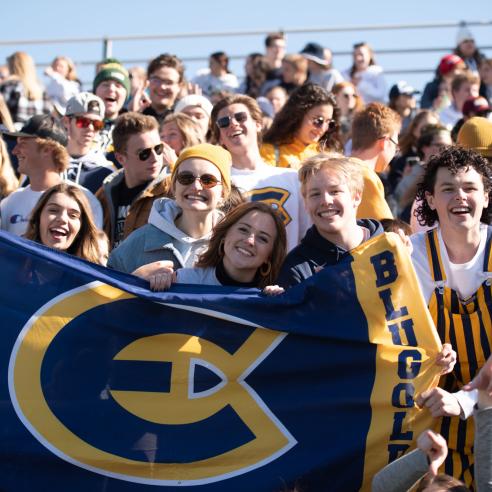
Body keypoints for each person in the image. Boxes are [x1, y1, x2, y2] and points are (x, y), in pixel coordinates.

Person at [411, 146, 492, 487]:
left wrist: (466, 399)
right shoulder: (409, 255)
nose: (460, 196)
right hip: (433, 426)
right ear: (429, 199)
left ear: (486, 197)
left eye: (470, 188)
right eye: (448, 189)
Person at [108, 143, 230, 275]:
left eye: (208, 180)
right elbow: (107, 290)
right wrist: (136, 280)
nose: (196, 186)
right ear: (174, 186)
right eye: (186, 178)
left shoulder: (232, 245)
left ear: (223, 193)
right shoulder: (138, 242)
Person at [211, 94, 309, 251]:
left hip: (289, 272)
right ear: (220, 138)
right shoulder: (218, 184)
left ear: (258, 124)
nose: (233, 124)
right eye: (223, 122)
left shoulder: (292, 178)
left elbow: (308, 233)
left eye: (240, 117)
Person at [277, 154, 384, 288]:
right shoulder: (297, 269)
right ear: (305, 203)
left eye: (334, 191)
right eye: (315, 194)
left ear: (356, 197)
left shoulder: (390, 246)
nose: (325, 201)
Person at [142, 201, 287, 292]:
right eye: (243, 229)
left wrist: (274, 306)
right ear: (224, 235)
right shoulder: (184, 282)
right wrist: (147, 282)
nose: (250, 241)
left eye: (262, 238)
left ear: (270, 256)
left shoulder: (268, 300)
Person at [0, 114, 102, 236]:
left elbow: (90, 251)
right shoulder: (11, 201)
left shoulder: (84, 200)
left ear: (47, 150)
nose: (14, 151)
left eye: (23, 143)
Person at [95, 112, 170, 249]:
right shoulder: (105, 194)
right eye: (144, 153)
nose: (154, 158)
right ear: (120, 158)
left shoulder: (172, 191)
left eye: (158, 149)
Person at [261, 83, 342, 169]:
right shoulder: (269, 152)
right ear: (298, 115)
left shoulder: (329, 156)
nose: (323, 128)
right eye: (319, 121)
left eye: (329, 123)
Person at [24, 183, 103, 264]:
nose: (62, 219)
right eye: (53, 210)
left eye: (73, 215)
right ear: (38, 218)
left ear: (82, 229)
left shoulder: (91, 275)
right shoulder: (14, 262)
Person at [350, 102, 401, 220]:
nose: (395, 153)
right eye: (395, 146)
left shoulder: (335, 168)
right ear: (385, 142)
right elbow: (386, 232)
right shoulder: (365, 176)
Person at [62, 92, 115, 193]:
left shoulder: (107, 172)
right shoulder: (48, 164)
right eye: (83, 122)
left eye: (97, 124)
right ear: (66, 121)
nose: (90, 128)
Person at [387, 109, 439, 194]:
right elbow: (392, 188)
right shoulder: (399, 155)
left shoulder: (436, 159)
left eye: (433, 130)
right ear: (415, 129)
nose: (429, 133)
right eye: (425, 129)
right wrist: (404, 179)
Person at [0, 51, 51, 126]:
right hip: (36, 133)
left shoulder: (9, 85)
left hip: (13, 133)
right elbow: (47, 113)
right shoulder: (40, 87)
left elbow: (2, 111)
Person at [93, 61, 131, 154]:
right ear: (95, 92)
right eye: (105, 84)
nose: (111, 89)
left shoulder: (132, 128)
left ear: (126, 95)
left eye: (118, 85)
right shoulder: (79, 124)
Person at [139, 53, 184, 124]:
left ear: (179, 86)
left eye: (169, 82)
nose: (162, 87)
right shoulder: (137, 116)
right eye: (156, 80)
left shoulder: (185, 117)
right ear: (147, 81)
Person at [332, 81, 364, 146]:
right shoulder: (328, 118)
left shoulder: (360, 120)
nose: (350, 98)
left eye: (354, 95)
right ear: (335, 97)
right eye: (346, 95)